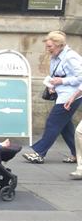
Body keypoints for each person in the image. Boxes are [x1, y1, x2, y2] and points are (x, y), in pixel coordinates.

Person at [23, 31, 82, 164]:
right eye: (47, 46)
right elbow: (57, 74)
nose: (47, 49)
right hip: (62, 94)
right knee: (65, 128)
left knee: (53, 123)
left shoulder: (70, 57)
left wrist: (62, 81)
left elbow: (80, 77)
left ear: (59, 45)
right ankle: (78, 154)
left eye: (50, 46)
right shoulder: (55, 56)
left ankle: (39, 153)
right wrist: (52, 85)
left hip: (71, 96)